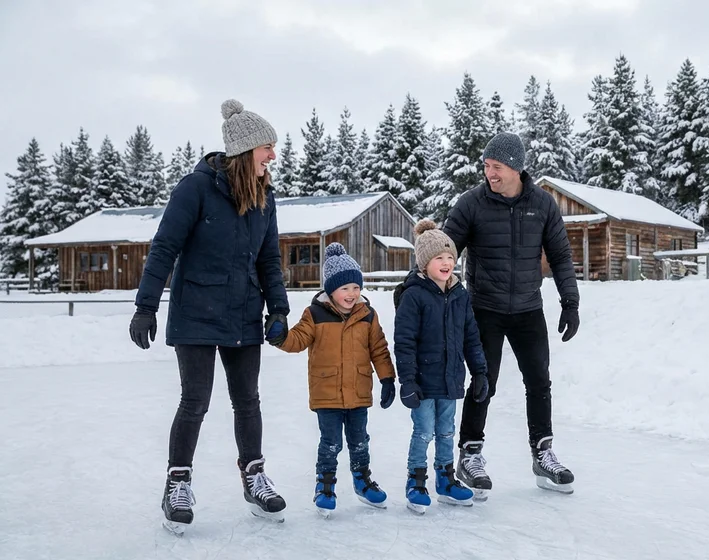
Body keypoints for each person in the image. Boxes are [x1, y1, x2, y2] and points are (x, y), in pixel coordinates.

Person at [129, 99, 290, 534]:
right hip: (196, 312)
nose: (273, 155)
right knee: (195, 400)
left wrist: (278, 307)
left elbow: (269, 260)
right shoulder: (195, 189)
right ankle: (177, 482)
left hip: (242, 313)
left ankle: (254, 475)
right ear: (246, 150)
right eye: (268, 147)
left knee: (248, 399)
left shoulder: (264, 197)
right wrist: (145, 306)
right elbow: (164, 247)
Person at [442, 132, 580, 496]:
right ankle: (470, 453)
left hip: (528, 309)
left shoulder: (543, 205)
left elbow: (561, 256)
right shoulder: (471, 204)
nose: (490, 173)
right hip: (483, 308)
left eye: (497, 167)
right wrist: (419, 289)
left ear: (516, 168)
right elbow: (442, 252)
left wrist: (570, 302)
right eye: (486, 166)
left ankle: (543, 452)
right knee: (483, 382)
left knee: (539, 381)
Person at [265, 243, 396, 517]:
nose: (351, 294)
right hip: (327, 393)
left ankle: (362, 481)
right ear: (330, 289)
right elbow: (297, 340)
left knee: (360, 440)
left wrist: (387, 379)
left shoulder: (368, 316)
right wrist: (280, 337)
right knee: (331, 442)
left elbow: (379, 349)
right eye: (344, 288)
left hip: (358, 391)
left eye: (356, 287)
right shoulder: (315, 314)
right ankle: (325, 486)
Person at [393, 220, 489, 513]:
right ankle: (416, 480)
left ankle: (446, 480)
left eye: (450, 257)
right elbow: (404, 342)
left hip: (450, 379)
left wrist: (480, 371)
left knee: (447, 431)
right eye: (439, 258)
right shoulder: (414, 295)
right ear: (425, 263)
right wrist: (407, 381)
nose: (447, 263)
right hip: (423, 381)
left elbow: (471, 337)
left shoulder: (460, 295)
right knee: (423, 431)